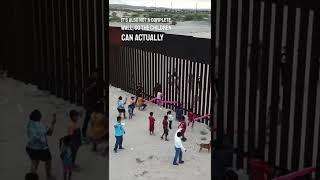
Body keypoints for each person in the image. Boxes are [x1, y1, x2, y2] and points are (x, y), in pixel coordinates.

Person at [26, 110, 56, 180]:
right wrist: (53, 123)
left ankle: (31, 177)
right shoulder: (40, 125)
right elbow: (50, 133)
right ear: (38, 117)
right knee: (48, 160)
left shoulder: (29, 124)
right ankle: (48, 176)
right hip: (42, 148)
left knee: (34, 163)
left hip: (30, 147)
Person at [82, 68, 107, 139]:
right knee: (88, 118)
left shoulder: (100, 80)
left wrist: (103, 97)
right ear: (93, 73)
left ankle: (98, 134)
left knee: (98, 119)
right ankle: (84, 133)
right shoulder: (89, 80)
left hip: (98, 103)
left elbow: (105, 87)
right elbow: (85, 90)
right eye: (95, 74)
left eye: (98, 74)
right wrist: (93, 85)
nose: (96, 75)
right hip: (90, 103)